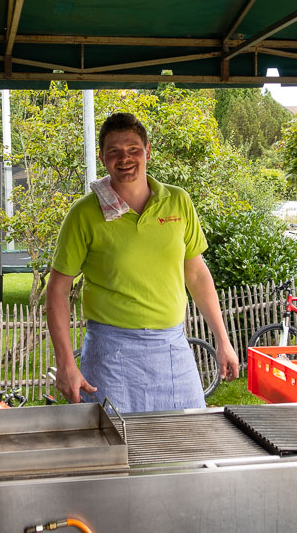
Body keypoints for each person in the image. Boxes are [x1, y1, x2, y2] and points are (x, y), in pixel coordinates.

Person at [46, 112, 240, 413]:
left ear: (148, 151)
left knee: (184, 442)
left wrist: (223, 340)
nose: (125, 158)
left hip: (172, 346)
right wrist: (65, 363)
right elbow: (57, 289)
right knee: (115, 450)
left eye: (133, 149)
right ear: (102, 157)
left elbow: (198, 275)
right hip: (111, 353)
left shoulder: (178, 201)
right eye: (114, 151)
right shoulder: (84, 213)